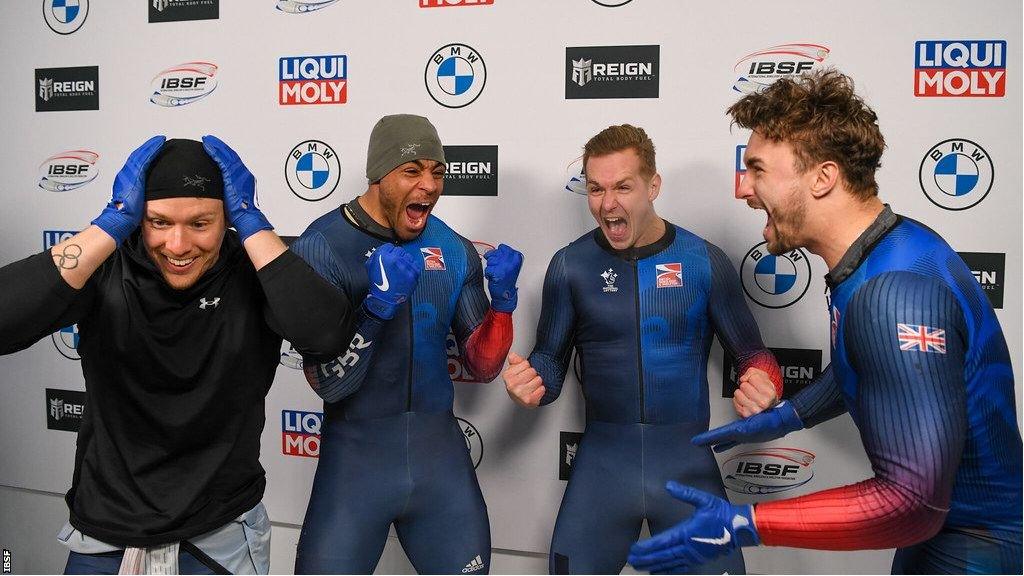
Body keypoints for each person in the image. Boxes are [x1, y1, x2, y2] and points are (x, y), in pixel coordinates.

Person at [627, 70, 1023, 575]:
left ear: (822, 177)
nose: (743, 188)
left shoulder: (892, 294)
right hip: (951, 540)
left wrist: (743, 524)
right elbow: (875, 361)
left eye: (758, 169)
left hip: (975, 550)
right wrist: (787, 417)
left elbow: (914, 504)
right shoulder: (885, 249)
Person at [0, 136, 353, 574]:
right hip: (107, 529)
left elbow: (327, 337)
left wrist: (253, 223)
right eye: (159, 223)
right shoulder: (106, 265)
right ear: (136, 219)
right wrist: (108, 227)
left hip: (219, 532)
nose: (179, 245)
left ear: (227, 219)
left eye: (201, 223)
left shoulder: (255, 268)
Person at [502, 124, 783, 574]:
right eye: (595, 189)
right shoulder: (570, 266)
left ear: (653, 186)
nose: (608, 203)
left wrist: (766, 380)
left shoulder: (702, 260)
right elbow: (550, 361)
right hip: (603, 465)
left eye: (622, 187)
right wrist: (533, 382)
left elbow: (753, 354)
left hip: (686, 464)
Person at [291, 114, 523, 574]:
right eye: (412, 171)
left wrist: (504, 304)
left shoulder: (453, 249)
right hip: (356, 464)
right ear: (379, 175)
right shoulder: (322, 246)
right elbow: (328, 384)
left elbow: (482, 365)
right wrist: (378, 307)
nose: (429, 185)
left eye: (437, 172)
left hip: (440, 460)